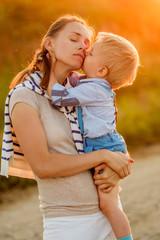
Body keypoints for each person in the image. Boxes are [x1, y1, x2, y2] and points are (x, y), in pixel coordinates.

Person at [1, 15, 132, 240]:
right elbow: (43, 166)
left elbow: (108, 135)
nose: (82, 45)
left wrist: (116, 167)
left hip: (107, 217)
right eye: (74, 39)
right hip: (69, 224)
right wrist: (104, 156)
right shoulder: (25, 97)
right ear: (49, 44)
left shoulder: (82, 89)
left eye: (87, 43)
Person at [49, 32, 140, 240]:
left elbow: (60, 98)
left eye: (90, 54)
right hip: (102, 144)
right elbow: (73, 78)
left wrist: (50, 72)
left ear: (101, 70)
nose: (85, 53)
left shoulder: (95, 89)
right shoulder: (92, 83)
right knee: (104, 200)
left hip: (104, 146)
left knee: (108, 204)